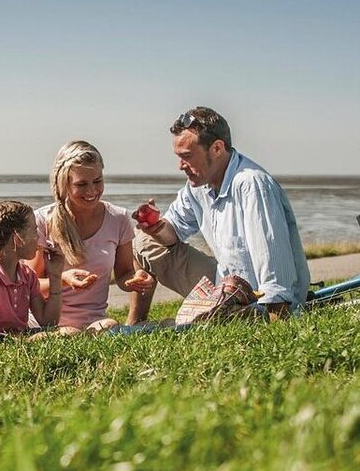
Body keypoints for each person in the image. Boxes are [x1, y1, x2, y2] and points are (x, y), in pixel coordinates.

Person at [128, 107, 310, 323]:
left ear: (217, 148)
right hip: (224, 284)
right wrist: (156, 227)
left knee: (180, 326)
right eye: (178, 157)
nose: (180, 166)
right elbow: (172, 234)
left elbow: (273, 262)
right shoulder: (196, 186)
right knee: (142, 241)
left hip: (257, 297)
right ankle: (135, 322)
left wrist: (275, 315)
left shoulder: (252, 184)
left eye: (187, 156)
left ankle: (223, 314)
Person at [27, 140, 155, 331]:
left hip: (94, 322)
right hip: (45, 322)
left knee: (109, 325)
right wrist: (62, 279)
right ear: (64, 184)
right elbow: (28, 286)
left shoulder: (118, 218)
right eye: (81, 184)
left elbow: (123, 274)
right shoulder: (42, 221)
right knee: (72, 332)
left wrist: (135, 279)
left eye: (97, 181)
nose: (92, 191)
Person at [0, 200, 68, 338]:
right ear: (17, 238)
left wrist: (55, 276)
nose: (39, 237)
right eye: (34, 230)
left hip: (17, 338)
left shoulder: (27, 276)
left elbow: (48, 322)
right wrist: (21, 341)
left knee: (69, 331)